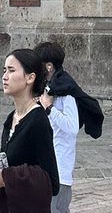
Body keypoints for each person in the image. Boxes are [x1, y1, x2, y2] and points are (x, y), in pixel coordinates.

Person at [0, 49, 60, 212]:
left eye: (11, 71)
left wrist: (6, 178)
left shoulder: (38, 121)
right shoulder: (10, 118)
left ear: (30, 77)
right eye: (4, 70)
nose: (5, 76)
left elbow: (51, 182)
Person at [34, 42, 80, 213]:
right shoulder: (48, 90)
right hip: (47, 168)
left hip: (60, 170)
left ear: (49, 66)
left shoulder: (66, 93)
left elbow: (72, 127)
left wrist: (49, 109)